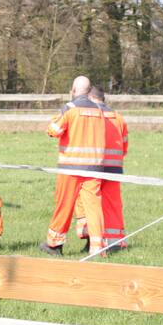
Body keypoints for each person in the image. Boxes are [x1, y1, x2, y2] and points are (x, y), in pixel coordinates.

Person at [39, 76, 122, 257]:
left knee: (64, 205)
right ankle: (97, 247)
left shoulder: (70, 109)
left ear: (73, 90)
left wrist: (57, 117)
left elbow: (53, 130)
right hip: (94, 168)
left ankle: (54, 244)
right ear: (89, 90)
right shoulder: (99, 111)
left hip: (71, 167)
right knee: (93, 207)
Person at [73, 85, 129, 252]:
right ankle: (115, 243)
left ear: (91, 98)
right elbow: (124, 145)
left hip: (93, 167)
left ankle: (92, 240)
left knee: (89, 205)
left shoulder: (91, 116)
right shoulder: (118, 117)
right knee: (113, 205)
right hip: (114, 168)